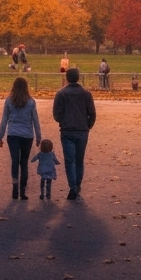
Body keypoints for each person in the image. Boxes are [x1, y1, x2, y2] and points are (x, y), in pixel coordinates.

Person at [52, 68, 96, 200]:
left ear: (67, 78)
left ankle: (72, 187)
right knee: (79, 160)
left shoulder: (61, 94)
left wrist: (63, 121)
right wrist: (88, 125)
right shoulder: (86, 94)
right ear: (78, 77)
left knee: (69, 160)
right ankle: (77, 184)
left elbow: (56, 114)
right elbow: (92, 113)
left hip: (67, 130)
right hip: (82, 130)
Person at [0, 77, 42, 200]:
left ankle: (15, 186)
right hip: (27, 135)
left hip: (13, 135)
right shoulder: (31, 102)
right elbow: (35, 120)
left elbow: (4, 120)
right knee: (24, 163)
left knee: (15, 161)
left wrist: (0, 136)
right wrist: (39, 136)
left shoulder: (9, 101)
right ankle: (23, 191)